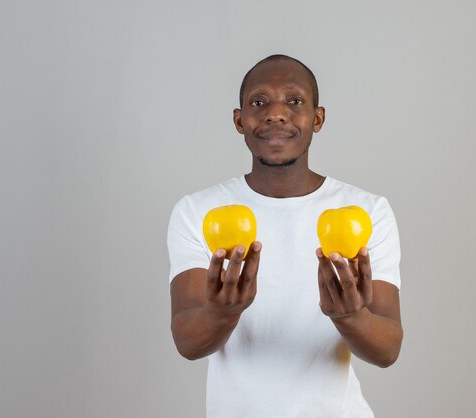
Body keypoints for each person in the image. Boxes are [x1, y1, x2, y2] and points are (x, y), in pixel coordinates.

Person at [168, 54, 403, 418]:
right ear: (239, 120)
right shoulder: (197, 211)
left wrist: (351, 317)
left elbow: (388, 349)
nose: (275, 114)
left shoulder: (368, 210)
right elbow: (187, 341)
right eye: (259, 102)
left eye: (294, 101)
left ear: (318, 118)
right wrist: (222, 311)